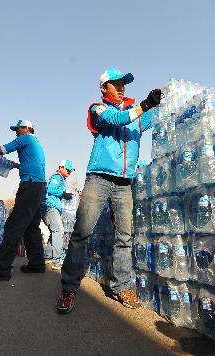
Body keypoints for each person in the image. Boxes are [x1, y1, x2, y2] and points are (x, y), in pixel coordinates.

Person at [56, 67, 161, 314]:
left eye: (124, 83)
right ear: (104, 88)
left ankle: (122, 285)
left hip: (124, 182)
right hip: (99, 178)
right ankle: (69, 288)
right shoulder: (98, 108)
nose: (122, 86)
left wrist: (162, 102)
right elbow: (116, 120)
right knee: (82, 233)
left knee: (124, 236)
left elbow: (153, 117)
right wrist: (145, 104)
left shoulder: (135, 112)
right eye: (116, 83)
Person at [0, 119, 47, 281]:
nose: (16, 132)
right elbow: (30, 163)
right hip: (39, 187)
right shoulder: (35, 143)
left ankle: (1, 269)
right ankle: (37, 264)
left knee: (14, 225)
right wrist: (16, 166)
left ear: (26, 128)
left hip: (30, 185)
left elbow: (3, 149)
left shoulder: (26, 138)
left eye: (18, 129)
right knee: (31, 226)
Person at [42, 159, 75, 270]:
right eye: (68, 170)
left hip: (52, 207)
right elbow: (51, 189)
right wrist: (63, 194)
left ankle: (48, 256)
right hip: (50, 207)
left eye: (71, 171)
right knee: (59, 230)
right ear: (61, 167)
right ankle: (58, 260)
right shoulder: (57, 177)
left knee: (54, 231)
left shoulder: (62, 179)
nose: (69, 172)